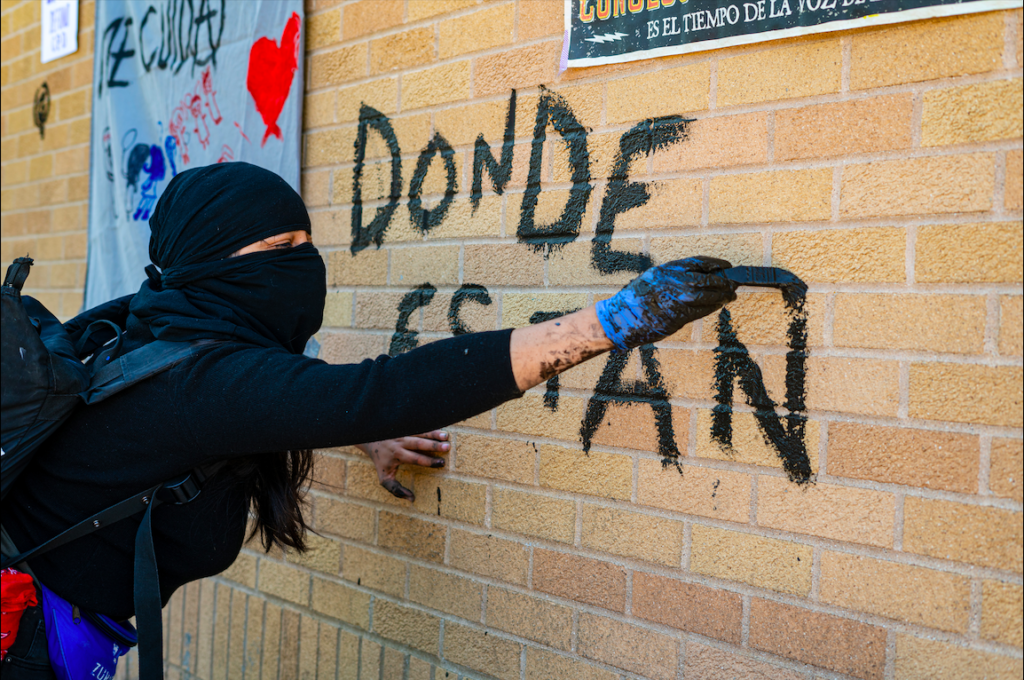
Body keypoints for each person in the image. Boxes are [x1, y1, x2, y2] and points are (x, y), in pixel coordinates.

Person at [0, 163, 736, 674]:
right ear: (210, 260)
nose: (306, 262)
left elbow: (282, 396)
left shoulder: (153, 322)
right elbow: (377, 390)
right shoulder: (200, 378)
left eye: (306, 242)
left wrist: (357, 431)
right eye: (281, 249)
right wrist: (608, 322)